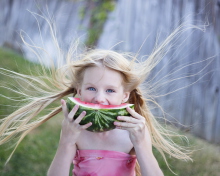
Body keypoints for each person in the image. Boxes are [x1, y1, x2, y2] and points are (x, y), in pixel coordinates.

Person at [0, 25, 193, 176]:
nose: (100, 98)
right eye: (91, 88)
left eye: (110, 90)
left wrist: (142, 143)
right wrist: (67, 141)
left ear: (125, 95)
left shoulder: (131, 133)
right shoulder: (75, 130)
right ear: (79, 90)